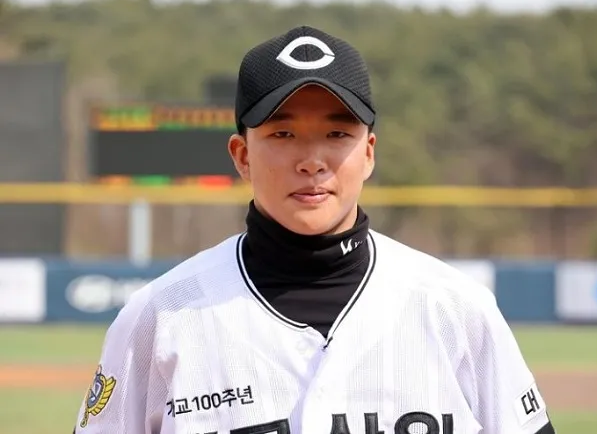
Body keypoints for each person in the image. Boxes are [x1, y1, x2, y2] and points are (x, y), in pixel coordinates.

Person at [73, 25, 555, 434]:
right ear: (242, 156)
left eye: (337, 133)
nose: (312, 161)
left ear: (369, 153)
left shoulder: (455, 308)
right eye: (282, 134)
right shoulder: (161, 317)